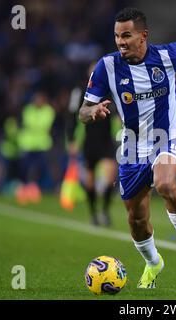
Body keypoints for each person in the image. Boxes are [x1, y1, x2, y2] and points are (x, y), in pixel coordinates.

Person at [79, 7, 176, 289]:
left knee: (165, 183)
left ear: (143, 36)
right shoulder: (106, 67)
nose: (120, 42)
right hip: (133, 147)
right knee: (136, 219)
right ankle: (153, 261)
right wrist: (92, 111)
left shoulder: (167, 56)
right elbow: (82, 111)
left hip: (169, 136)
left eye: (127, 35)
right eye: (117, 36)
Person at [66, 62, 118, 226]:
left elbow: (118, 114)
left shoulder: (111, 90)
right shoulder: (80, 90)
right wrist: (72, 140)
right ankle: (94, 213)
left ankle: (105, 211)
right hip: (88, 140)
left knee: (111, 176)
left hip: (106, 139)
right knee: (89, 180)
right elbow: (72, 116)